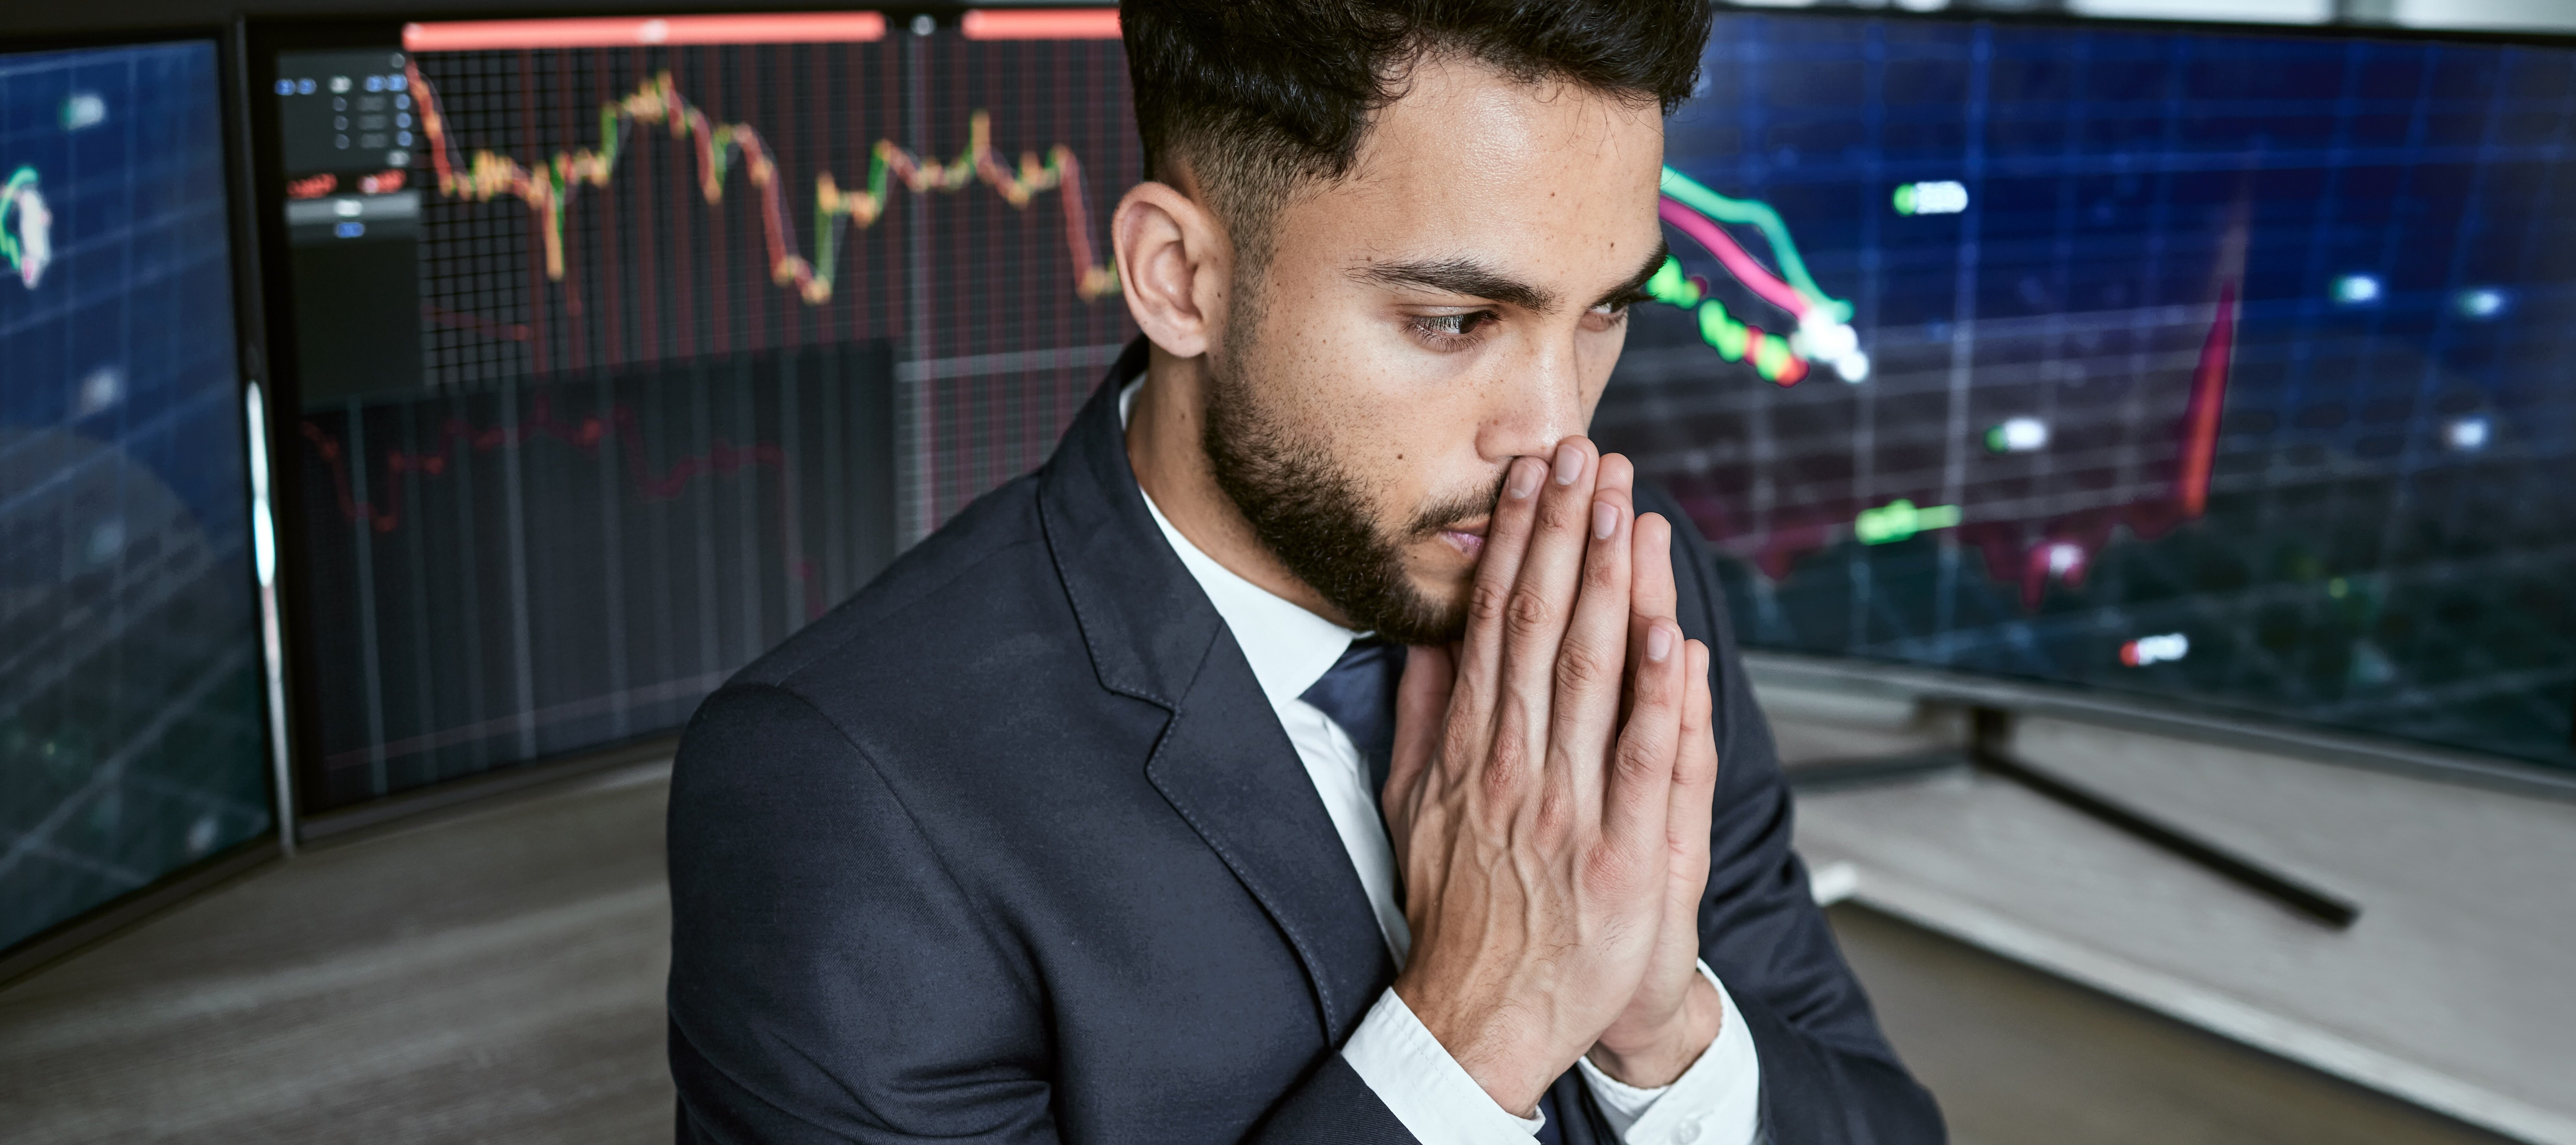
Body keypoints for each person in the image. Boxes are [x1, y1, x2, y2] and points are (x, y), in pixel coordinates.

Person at [666, 2, 1943, 1141]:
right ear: (1181, 279)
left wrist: (1661, 1032)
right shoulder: (846, 793)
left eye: (1605, 311)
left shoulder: (1623, 588)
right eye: (1453, 322)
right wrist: (1471, 1036)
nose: (1558, 435)